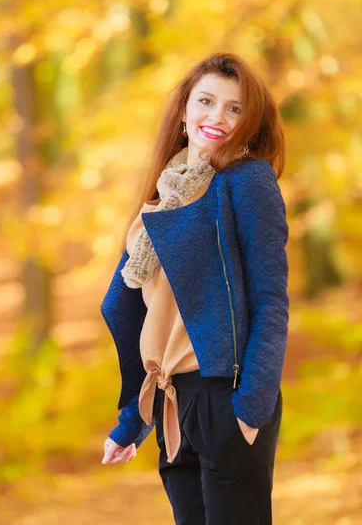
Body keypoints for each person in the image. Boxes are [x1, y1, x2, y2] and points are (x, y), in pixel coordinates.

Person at [100, 51, 289, 525]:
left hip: (226, 396)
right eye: (206, 101)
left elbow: (271, 300)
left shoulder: (246, 182)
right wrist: (131, 423)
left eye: (235, 108)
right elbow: (152, 319)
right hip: (171, 402)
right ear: (185, 109)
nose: (218, 117)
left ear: (249, 122)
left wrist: (249, 410)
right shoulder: (161, 199)